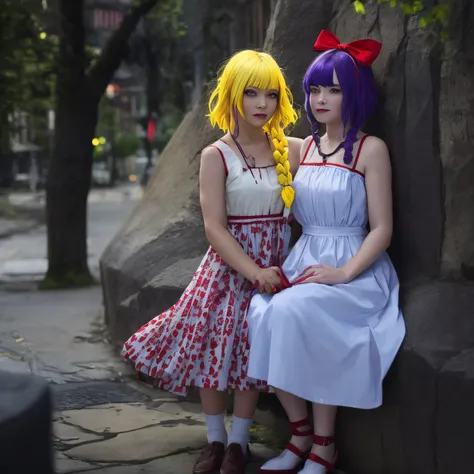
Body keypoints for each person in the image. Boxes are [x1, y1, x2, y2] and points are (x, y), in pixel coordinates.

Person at [121, 49, 302, 474]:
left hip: (276, 266)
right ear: (232, 97)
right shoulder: (216, 155)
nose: (262, 104)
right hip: (228, 267)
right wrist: (251, 271)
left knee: (248, 354)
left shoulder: (292, 150)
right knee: (212, 350)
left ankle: (238, 443)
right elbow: (214, 227)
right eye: (251, 93)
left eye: (271, 94)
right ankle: (215, 440)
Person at [246, 30, 406, 474]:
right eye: (315, 89)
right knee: (261, 311)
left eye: (334, 89)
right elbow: (249, 146)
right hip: (305, 257)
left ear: (353, 94)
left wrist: (342, 273)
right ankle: (300, 433)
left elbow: (383, 230)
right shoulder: (304, 147)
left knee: (297, 312)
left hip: (355, 266)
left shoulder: (371, 150)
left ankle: (324, 445)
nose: (321, 99)